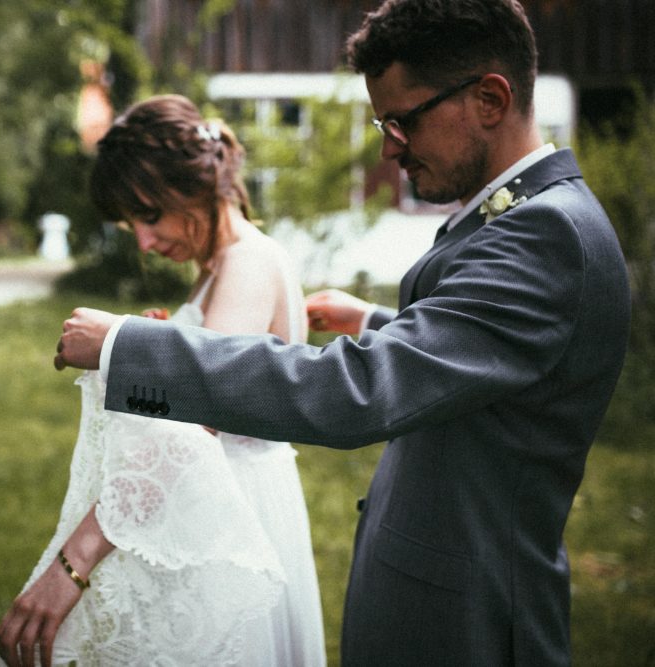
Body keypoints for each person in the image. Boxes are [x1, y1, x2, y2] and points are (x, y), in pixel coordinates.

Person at [51, 1, 631, 665]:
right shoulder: (526, 217)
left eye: (401, 120)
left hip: (467, 623)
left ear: (490, 99)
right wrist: (379, 321)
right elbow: (485, 356)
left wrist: (130, 347)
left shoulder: (543, 233)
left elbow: (355, 393)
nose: (388, 146)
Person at [0, 94, 326, 666]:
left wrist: (70, 567)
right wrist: (169, 338)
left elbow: (192, 432)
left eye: (150, 216)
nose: (144, 242)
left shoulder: (246, 264)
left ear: (196, 186)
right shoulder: (220, 268)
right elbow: (206, 383)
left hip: (235, 516)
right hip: (205, 508)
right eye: (133, 225)